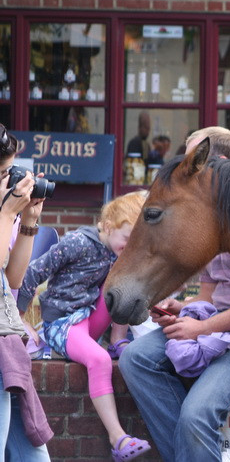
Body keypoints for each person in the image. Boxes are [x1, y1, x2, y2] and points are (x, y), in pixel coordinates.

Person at [119, 126, 230, 462]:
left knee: (197, 414)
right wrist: (182, 307)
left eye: (193, 161)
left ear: (214, 161)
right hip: (222, 322)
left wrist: (203, 328)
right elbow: (210, 294)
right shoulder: (207, 215)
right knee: (136, 358)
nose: (186, 169)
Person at [17, 191, 149, 462]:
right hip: (63, 323)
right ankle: (118, 438)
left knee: (126, 283)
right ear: (109, 226)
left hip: (90, 318)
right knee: (99, 360)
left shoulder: (116, 251)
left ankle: (117, 340)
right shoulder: (77, 242)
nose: (130, 245)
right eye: (127, 239)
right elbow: (33, 272)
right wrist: (19, 319)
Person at [0, 124, 51, 461]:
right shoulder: (4, 211)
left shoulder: (6, 213)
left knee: (34, 455)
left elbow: (12, 279)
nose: (10, 180)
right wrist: (5, 213)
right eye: (5, 172)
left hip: (6, 344)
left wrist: (29, 222)